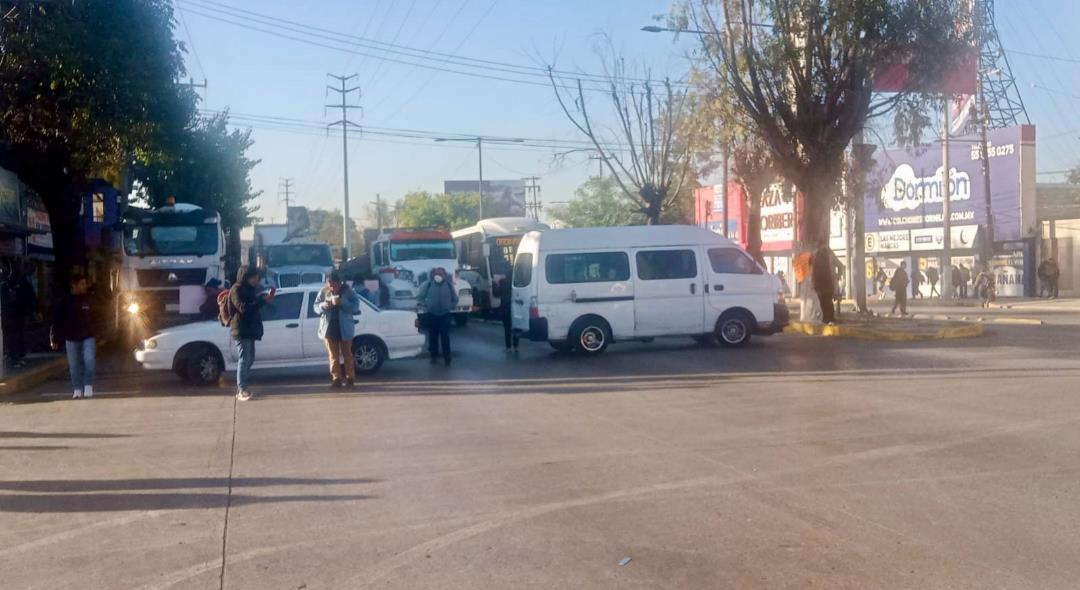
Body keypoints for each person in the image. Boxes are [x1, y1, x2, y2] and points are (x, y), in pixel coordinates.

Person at [229, 266, 274, 401]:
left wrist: (264, 299)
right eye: (254, 277)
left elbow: (254, 305)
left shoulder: (251, 290)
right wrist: (261, 300)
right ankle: (241, 389)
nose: (256, 279)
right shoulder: (236, 289)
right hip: (241, 329)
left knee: (250, 358)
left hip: (250, 329)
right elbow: (243, 308)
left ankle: (242, 385)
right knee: (244, 359)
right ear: (246, 277)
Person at [51, 274, 98, 399]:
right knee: (74, 364)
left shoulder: (89, 299)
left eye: (85, 283)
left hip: (88, 335)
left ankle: (88, 385)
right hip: (71, 337)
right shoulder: (65, 301)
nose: (84, 286)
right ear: (74, 285)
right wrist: (56, 338)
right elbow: (57, 320)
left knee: (89, 360)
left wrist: (96, 329)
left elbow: (97, 316)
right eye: (82, 284)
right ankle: (77, 389)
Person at [315, 271, 361, 388]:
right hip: (329, 328)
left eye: (334, 284)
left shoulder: (348, 291)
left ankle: (350, 378)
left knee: (347, 354)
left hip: (344, 328)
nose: (331, 286)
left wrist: (342, 302)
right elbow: (315, 306)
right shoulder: (324, 291)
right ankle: (336, 379)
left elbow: (355, 307)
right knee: (333, 355)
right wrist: (323, 306)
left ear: (339, 283)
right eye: (329, 283)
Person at [417, 267, 458, 366]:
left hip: (445, 314)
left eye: (440, 274)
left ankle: (447, 356)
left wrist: (450, 306)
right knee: (433, 336)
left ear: (444, 275)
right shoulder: (428, 285)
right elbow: (420, 297)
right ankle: (434, 355)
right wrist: (426, 305)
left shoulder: (449, 285)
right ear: (433, 275)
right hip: (432, 314)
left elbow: (455, 298)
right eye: (436, 273)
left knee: (445, 336)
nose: (438, 275)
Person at [2, 265, 38, 368]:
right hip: (13, 314)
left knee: (16, 335)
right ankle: (15, 356)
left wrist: (33, 310)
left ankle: (16, 356)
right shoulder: (10, 284)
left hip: (16, 314)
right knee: (15, 335)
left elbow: (31, 298)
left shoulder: (19, 284)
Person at [811, 245, 836, 325]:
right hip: (825, 284)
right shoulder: (827, 257)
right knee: (827, 301)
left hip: (822, 284)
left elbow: (813, 271)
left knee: (825, 302)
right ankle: (829, 318)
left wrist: (813, 283)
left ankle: (827, 318)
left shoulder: (817, 257)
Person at [496, 277, 519, 352]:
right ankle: (516, 346)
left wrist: (494, 284)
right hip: (515, 309)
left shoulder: (502, 282)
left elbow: (496, 294)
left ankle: (508, 347)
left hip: (505, 309)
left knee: (507, 329)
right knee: (516, 328)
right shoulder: (517, 283)